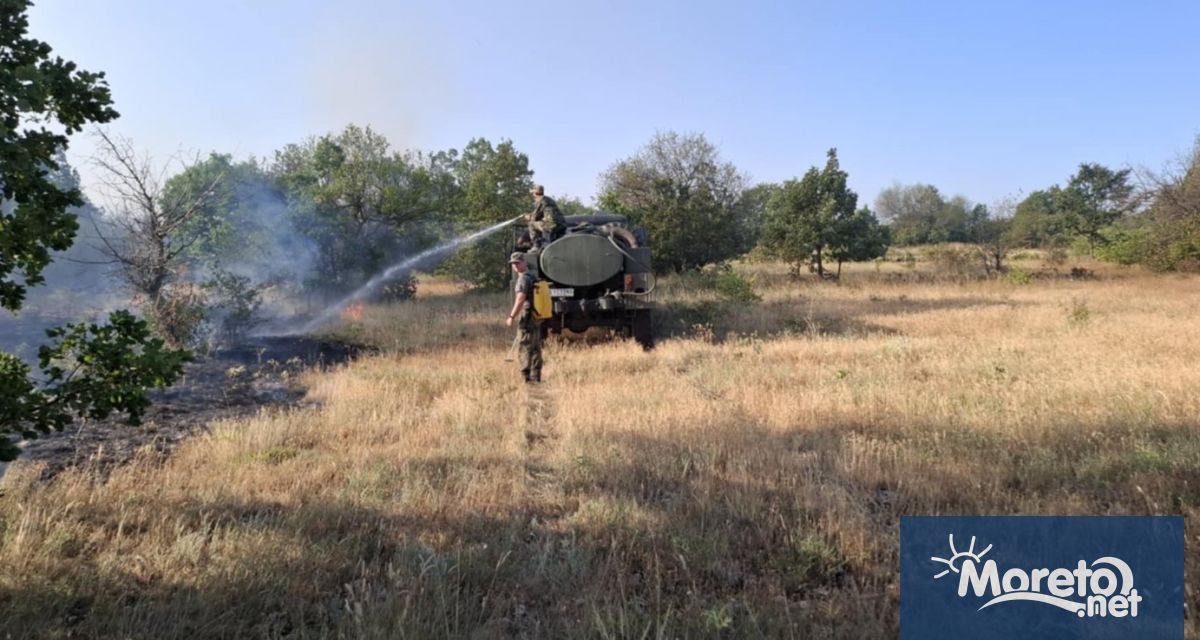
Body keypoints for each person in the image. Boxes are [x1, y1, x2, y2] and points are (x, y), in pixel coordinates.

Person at [505, 252, 543, 383]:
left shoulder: (523, 279)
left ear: (524, 263)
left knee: (525, 346)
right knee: (535, 346)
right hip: (536, 316)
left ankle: (526, 377)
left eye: (517, 263)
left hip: (527, 317)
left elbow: (520, 299)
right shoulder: (532, 277)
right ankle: (536, 375)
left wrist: (511, 316)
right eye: (513, 264)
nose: (515, 266)